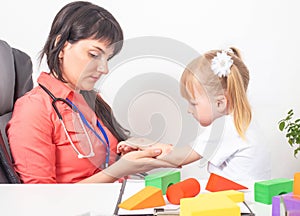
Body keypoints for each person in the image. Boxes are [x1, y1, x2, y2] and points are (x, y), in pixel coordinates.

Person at [6, 1, 176, 184]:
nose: (104, 68)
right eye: (94, 55)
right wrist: (120, 170)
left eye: (108, 58)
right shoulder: (34, 109)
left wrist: (134, 150)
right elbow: (39, 200)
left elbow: (102, 161)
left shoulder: (90, 99)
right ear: (61, 45)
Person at [118, 48, 271, 181]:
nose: (189, 110)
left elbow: (180, 157)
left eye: (193, 103)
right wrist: (150, 145)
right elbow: (181, 153)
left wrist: (144, 146)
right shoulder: (242, 122)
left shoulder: (226, 128)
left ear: (220, 102)